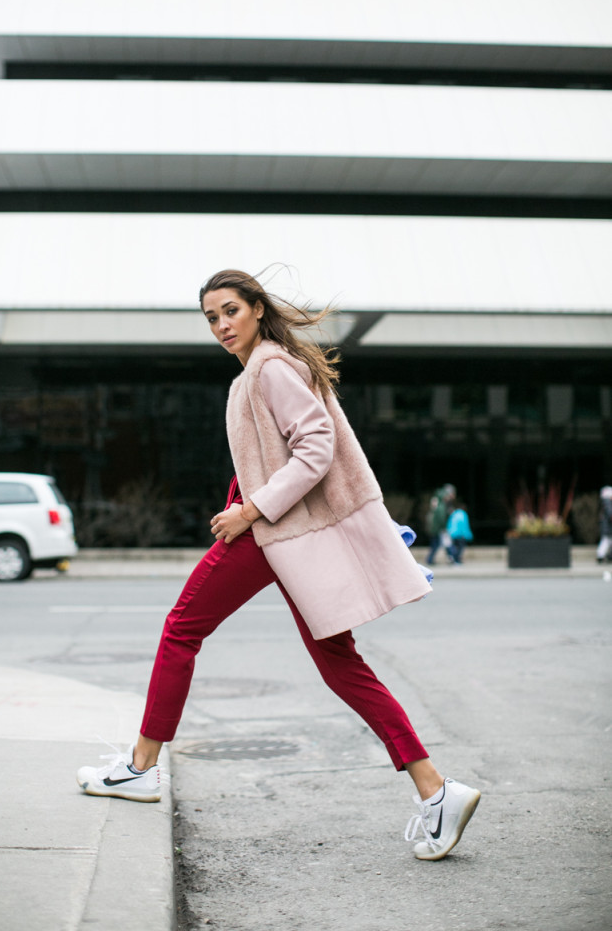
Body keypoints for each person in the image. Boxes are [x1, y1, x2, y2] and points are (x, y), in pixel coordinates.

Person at [76, 269, 480, 861]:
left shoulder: (269, 368)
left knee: (181, 628)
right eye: (211, 318)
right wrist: (241, 495)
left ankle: (142, 768)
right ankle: (436, 791)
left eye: (230, 311)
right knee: (340, 664)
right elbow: (273, 451)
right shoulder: (260, 371)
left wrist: (250, 511)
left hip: (274, 534)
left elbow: (315, 446)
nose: (220, 326)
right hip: (285, 535)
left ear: (258, 310)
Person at [424, 484, 456, 565]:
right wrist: (444, 527)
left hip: (435, 528)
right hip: (438, 528)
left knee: (437, 544)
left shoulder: (438, 503)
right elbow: (441, 519)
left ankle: (431, 559)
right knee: (442, 543)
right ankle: (449, 558)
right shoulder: (441, 505)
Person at [446, 501, 473, 565]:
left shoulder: (454, 514)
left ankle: (454, 559)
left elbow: (449, 524)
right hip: (460, 534)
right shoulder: (463, 514)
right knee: (460, 548)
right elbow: (464, 526)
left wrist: (449, 532)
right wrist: (468, 535)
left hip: (453, 534)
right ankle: (457, 560)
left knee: (454, 547)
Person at [597, 486, 612, 563]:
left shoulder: (605, 502)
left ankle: (602, 556)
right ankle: (601, 556)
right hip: (608, 527)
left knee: (606, 541)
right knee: (606, 541)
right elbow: (610, 514)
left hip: (607, 527)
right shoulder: (607, 503)